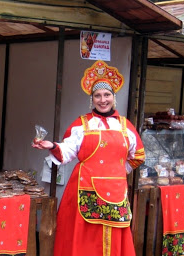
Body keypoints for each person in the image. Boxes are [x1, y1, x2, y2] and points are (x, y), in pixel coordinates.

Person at [32, 60, 145, 256]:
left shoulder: (126, 126)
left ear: (114, 97)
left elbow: (137, 156)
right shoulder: (82, 124)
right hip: (85, 189)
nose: (103, 100)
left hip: (116, 192)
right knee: (84, 240)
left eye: (107, 95)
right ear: (91, 99)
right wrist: (51, 145)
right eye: (98, 96)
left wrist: (117, 171)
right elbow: (67, 151)